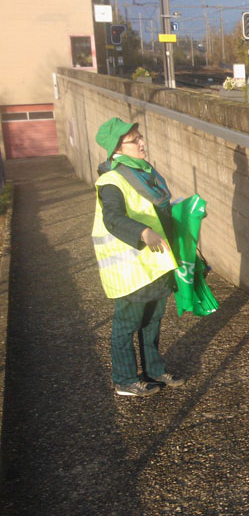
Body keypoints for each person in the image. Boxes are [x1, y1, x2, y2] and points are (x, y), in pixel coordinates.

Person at [92, 118, 186, 397]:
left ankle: (154, 370)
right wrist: (143, 232)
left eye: (140, 137)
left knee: (152, 322)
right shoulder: (112, 180)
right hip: (130, 269)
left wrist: (184, 213)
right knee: (126, 325)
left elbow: (157, 209)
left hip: (155, 264)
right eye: (135, 140)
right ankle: (124, 379)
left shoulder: (146, 173)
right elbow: (112, 218)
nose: (142, 143)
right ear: (117, 149)